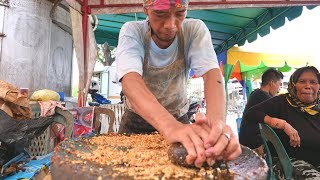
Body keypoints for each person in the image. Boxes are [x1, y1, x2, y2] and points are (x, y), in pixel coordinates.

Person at [115, 0, 241, 168]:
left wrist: (217, 125)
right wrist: (170, 127)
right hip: (135, 123)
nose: (171, 25)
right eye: (160, 14)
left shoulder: (194, 30)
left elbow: (212, 75)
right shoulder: (132, 31)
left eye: (180, 14)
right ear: (146, 9)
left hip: (179, 120)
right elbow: (130, 81)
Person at [243, 66, 320, 179]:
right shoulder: (282, 102)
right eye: (302, 81)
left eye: (313, 82)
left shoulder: (317, 108)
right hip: (288, 161)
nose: (308, 86)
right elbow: (251, 114)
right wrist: (282, 124)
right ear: (293, 84)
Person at [239, 68, 284, 149]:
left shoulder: (256, 94)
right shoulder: (264, 97)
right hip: (253, 144)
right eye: (279, 84)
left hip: (246, 141)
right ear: (272, 83)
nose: (279, 89)